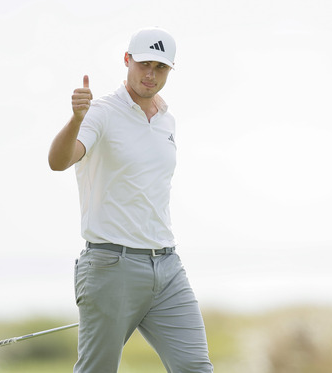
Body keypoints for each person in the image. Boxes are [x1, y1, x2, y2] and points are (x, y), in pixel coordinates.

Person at [48, 27, 213, 373]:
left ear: (170, 70)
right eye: (144, 64)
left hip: (167, 267)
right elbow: (59, 161)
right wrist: (76, 119)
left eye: (161, 68)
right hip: (111, 266)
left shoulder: (167, 120)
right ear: (127, 60)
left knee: (196, 368)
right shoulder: (101, 113)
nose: (150, 75)